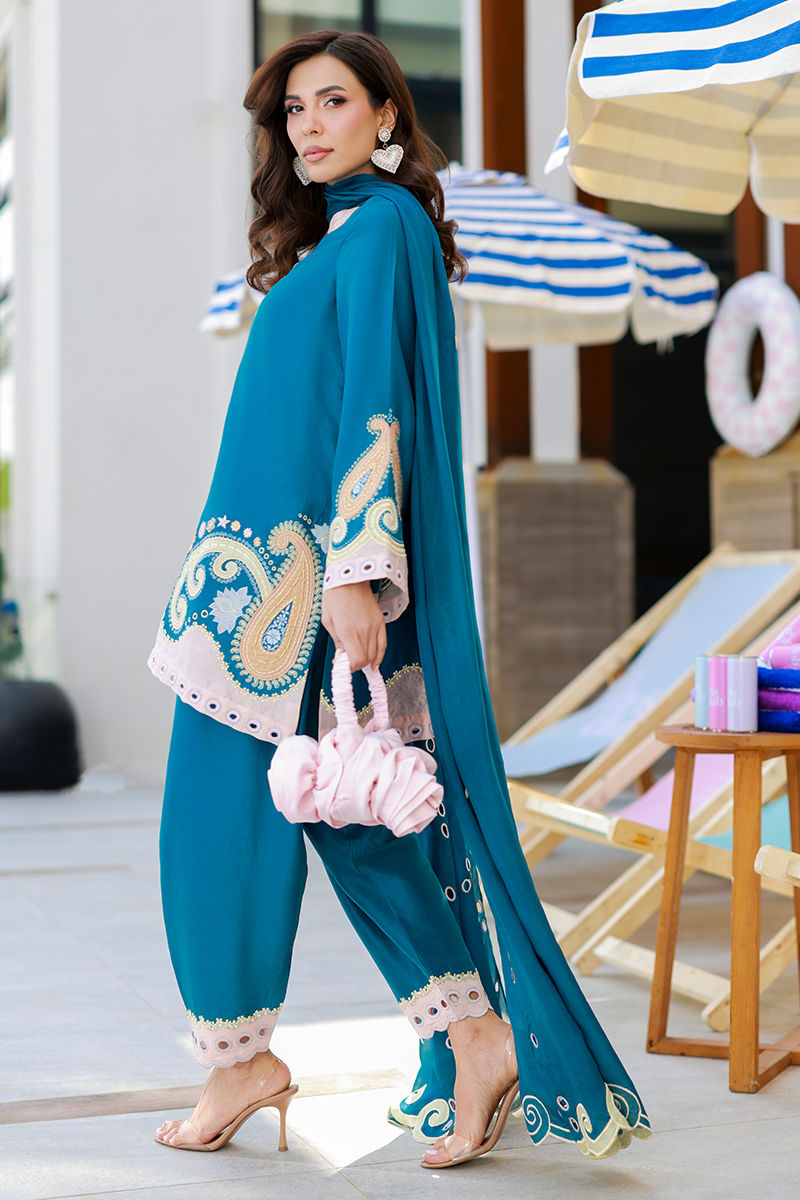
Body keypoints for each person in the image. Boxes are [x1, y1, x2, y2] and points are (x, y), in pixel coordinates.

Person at [150, 29, 651, 1167]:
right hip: (248, 584)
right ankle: (447, 1040)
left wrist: (356, 577)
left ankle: (332, 1053)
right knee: (339, 814)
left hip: (292, 587)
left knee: (258, 811)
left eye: (334, 102)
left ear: (386, 115)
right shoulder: (340, 235)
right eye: (293, 110)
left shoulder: (378, 229)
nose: (308, 125)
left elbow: (372, 405)